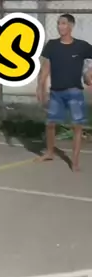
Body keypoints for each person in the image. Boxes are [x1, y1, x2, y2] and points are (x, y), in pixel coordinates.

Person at [36, 13, 92, 172]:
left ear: (71, 26)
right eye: (59, 23)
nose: (60, 26)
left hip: (74, 92)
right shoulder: (52, 45)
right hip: (56, 93)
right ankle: (49, 152)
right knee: (50, 124)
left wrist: (89, 72)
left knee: (77, 127)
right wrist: (40, 87)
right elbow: (45, 68)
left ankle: (75, 161)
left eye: (64, 23)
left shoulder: (81, 46)